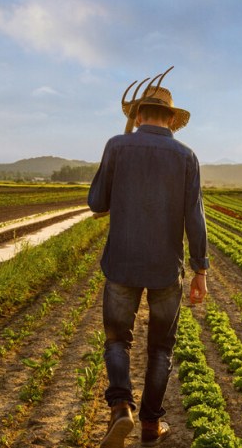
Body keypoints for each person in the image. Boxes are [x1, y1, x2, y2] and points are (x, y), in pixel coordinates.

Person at [88, 77, 209, 448]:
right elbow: (195, 218)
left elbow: (96, 202)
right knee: (161, 348)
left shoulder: (117, 145)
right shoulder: (186, 156)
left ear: (138, 114)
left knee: (117, 340)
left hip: (122, 262)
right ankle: (149, 425)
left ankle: (120, 406)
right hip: (165, 269)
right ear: (171, 120)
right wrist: (200, 270)